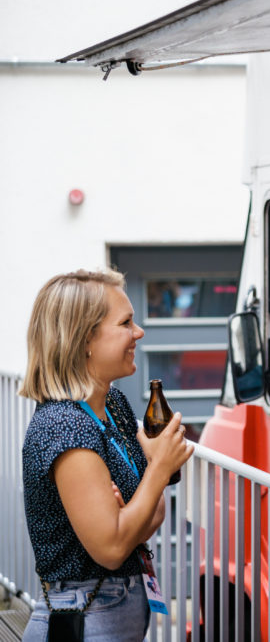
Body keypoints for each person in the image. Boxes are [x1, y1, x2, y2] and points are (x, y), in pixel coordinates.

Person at [19, 268, 193, 641]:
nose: (139, 332)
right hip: (85, 617)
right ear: (85, 340)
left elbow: (152, 514)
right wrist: (158, 469)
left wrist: (130, 510)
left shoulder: (111, 403)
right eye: (126, 322)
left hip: (111, 610)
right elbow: (113, 549)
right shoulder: (64, 426)